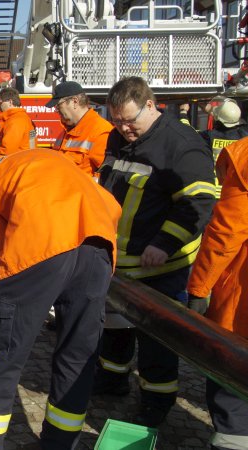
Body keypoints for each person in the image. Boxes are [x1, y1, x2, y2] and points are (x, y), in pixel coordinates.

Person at [0, 150, 120, 450]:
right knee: (77, 356)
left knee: (5, 356)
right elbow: (110, 205)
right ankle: (60, 444)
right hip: (98, 245)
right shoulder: (32, 160)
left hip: (43, 245)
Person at [95, 76, 217, 427]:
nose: (123, 129)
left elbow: (198, 203)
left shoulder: (182, 145)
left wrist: (163, 244)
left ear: (151, 105)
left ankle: (157, 403)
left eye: (130, 121)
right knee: (115, 328)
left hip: (162, 266)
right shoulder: (119, 136)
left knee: (157, 341)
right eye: (116, 121)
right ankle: (113, 380)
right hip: (121, 260)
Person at [187, 137, 248, 450]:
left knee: (232, 380)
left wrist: (198, 288)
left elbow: (226, 233)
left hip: (242, 305)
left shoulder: (244, 156)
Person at [47, 81, 113, 178]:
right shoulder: (66, 131)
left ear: (75, 101)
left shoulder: (100, 132)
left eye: (58, 105)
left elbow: (107, 178)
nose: (56, 110)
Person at [199, 98, 248, 198]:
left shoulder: (209, 136)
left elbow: (188, 134)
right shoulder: (244, 135)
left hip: (213, 191)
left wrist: (183, 112)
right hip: (235, 191)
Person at [0, 87, 35, 156]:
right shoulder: (25, 118)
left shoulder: (15, 121)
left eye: (0, 103)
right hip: (26, 159)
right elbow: (32, 144)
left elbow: (7, 150)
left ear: (10, 102)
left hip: (17, 162)